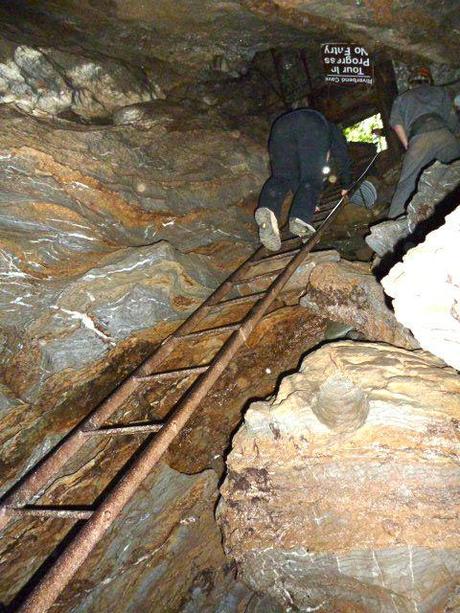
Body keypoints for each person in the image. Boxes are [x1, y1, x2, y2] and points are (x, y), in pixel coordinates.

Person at [255, 107, 353, 251]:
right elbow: (342, 155)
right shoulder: (331, 128)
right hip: (311, 123)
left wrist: (306, 202)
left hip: (280, 126)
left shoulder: (312, 134)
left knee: (281, 177)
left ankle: (268, 210)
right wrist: (346, 184)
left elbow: (295, 179)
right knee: (313, 178)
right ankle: (300, 219)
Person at [388, 66, 460, 219]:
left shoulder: (403, 98)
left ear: (411, 82)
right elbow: (452, 118)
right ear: (429, 80)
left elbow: (396, 123)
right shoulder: (440, 92)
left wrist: (407, 144)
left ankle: (394, 220)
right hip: (444, 134)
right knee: (456, 170)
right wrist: (451, 136)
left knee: (407, 182)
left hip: (419, 138)